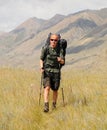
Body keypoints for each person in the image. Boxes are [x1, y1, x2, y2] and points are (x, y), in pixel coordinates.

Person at [40, 33, 65, 112]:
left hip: (56, 72)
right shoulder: (46, 48)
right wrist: (41, 67)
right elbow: (41, 59)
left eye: (55, 40)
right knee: (47, 88)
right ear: (49, 40)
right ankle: (46, 106)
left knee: (55, 89)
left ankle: (54, 105)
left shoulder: (60, 50)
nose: (53, 41)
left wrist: (60, 60)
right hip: (47, 71)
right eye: (52, 40)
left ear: (57, 41)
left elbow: (63, 62)